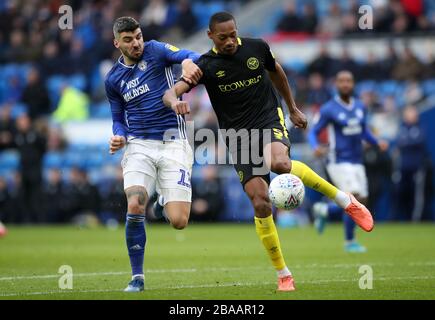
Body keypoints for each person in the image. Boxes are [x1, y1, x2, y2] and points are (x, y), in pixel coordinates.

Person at [163, 12, 374, 292]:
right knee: (261, 202)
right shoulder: (206, 65)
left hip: (267, 118)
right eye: (223, 37)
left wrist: (293, 108)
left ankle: (344, 200)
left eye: (233, 34)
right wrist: (174, 101)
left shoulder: (256, 47)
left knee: (280, 163)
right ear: (211, 36)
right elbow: (170, 93)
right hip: (238, 136)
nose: (230, 42)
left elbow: (278, 73)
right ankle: (283, 274)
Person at [105, 16, 202, 292]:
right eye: (128, 39)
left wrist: (186, 62)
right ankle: (137, 277)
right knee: (135, 202)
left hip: (174, 142)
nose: (136, 43)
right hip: (139, 145)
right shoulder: (113, 79)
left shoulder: (157, 51)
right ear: (117, 43)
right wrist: (118, 135)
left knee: (179, 222)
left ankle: (161, 203)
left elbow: (191, 55)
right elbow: (117, 118)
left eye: (138, 36)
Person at [308, 71, 388, 253]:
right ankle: (349, 241)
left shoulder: (360, 106)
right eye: (342, 81)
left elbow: (363, 131)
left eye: (349, 81)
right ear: (336, 84)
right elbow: (313, 131)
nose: (345, 84)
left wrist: (377, 142)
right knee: (353, 198)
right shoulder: (329, 108)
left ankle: (325, 210)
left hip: (357, 160)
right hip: (338, 160)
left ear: (353, 84)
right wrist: (315, 146)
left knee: (362, 201)